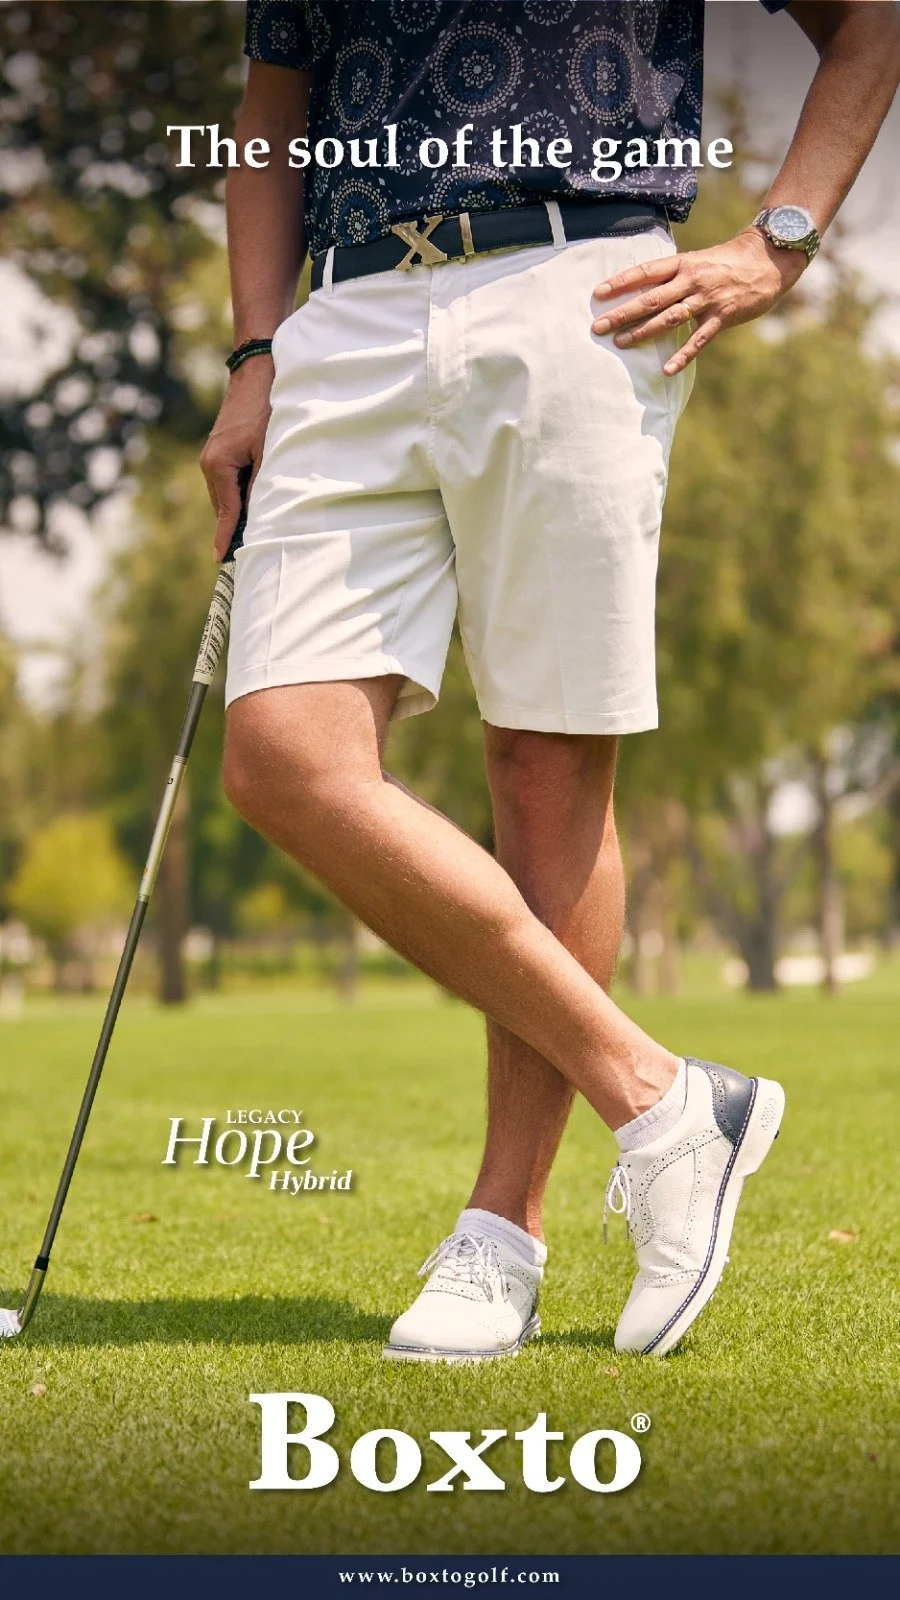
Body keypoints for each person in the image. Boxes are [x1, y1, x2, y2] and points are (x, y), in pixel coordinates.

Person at [201, 1, 899, 1361]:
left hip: (581, 288)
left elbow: (867, 22)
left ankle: (499, 1240)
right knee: (282, 755)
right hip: (343, 312)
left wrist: (780, 244)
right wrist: (251, 353)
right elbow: (273, 105)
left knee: (545, 762)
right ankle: (663, 1100)